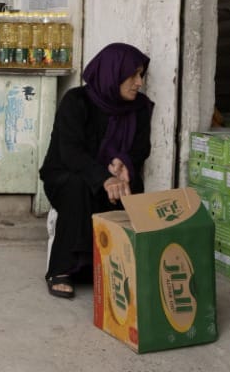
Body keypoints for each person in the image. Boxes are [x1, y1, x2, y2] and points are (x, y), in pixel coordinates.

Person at [39, 43, 152, 299]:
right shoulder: (76, 101)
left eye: (141, 75)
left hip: (112, 176)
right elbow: (71, 153)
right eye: (133, 75)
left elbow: (141, 148)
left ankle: (116, 264)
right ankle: (63, 269)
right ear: (113, 73)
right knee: (77, 187)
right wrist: (104, 178)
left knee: (132, 188)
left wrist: (124, 162)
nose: (139, 83)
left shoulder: (140, 108)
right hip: (66, 173)